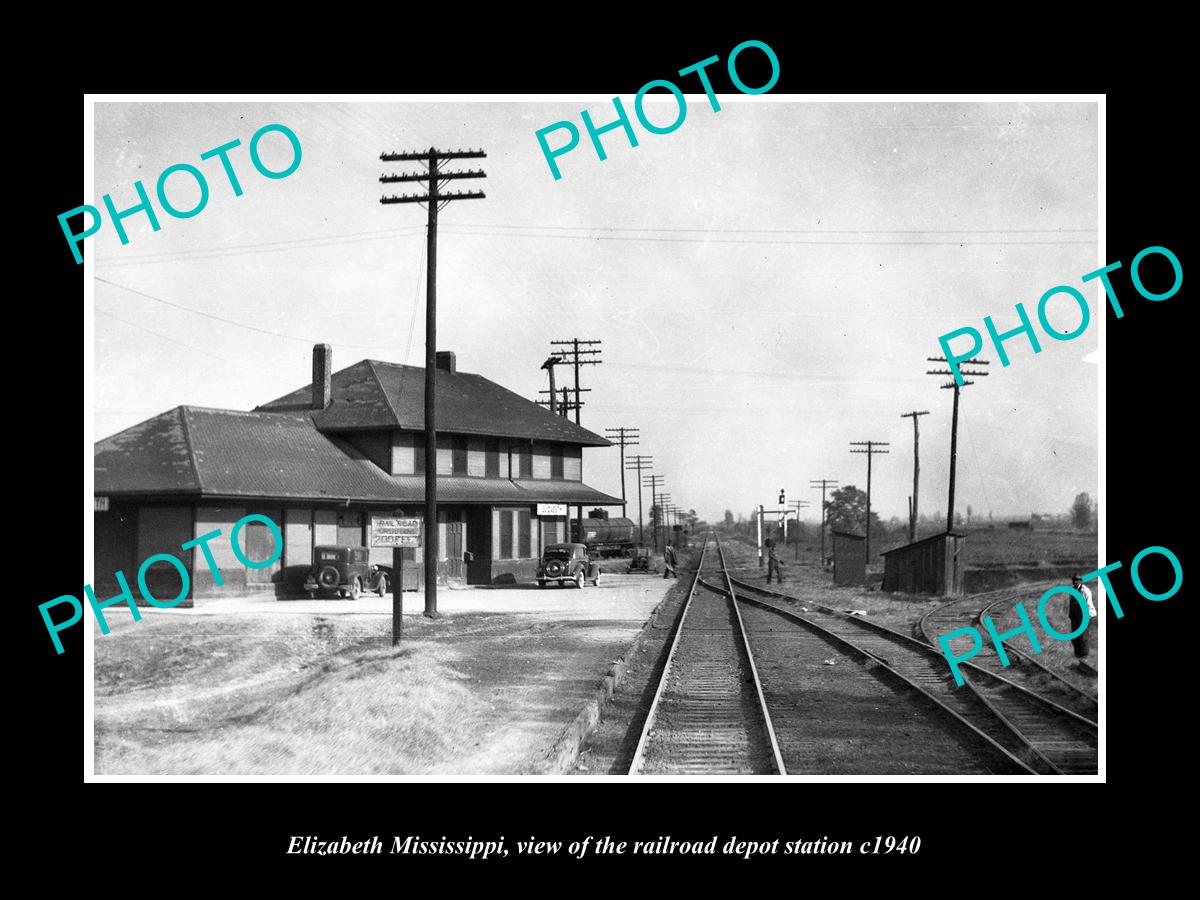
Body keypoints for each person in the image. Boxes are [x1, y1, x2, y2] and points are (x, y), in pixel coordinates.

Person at [1068, 574, 1097, 661]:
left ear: (1081, 581)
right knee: (1074, 636)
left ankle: (1084, 656)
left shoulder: (1085, 591)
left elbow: (1088, 605)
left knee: (1083, 637)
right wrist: (1071, 615)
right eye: (1075, 580)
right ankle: (1077, 655)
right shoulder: (1072, 590)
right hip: (1075, 615)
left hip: (1086, 615)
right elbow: (1071, 603)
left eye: (1078, 580)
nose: (1076, 582)